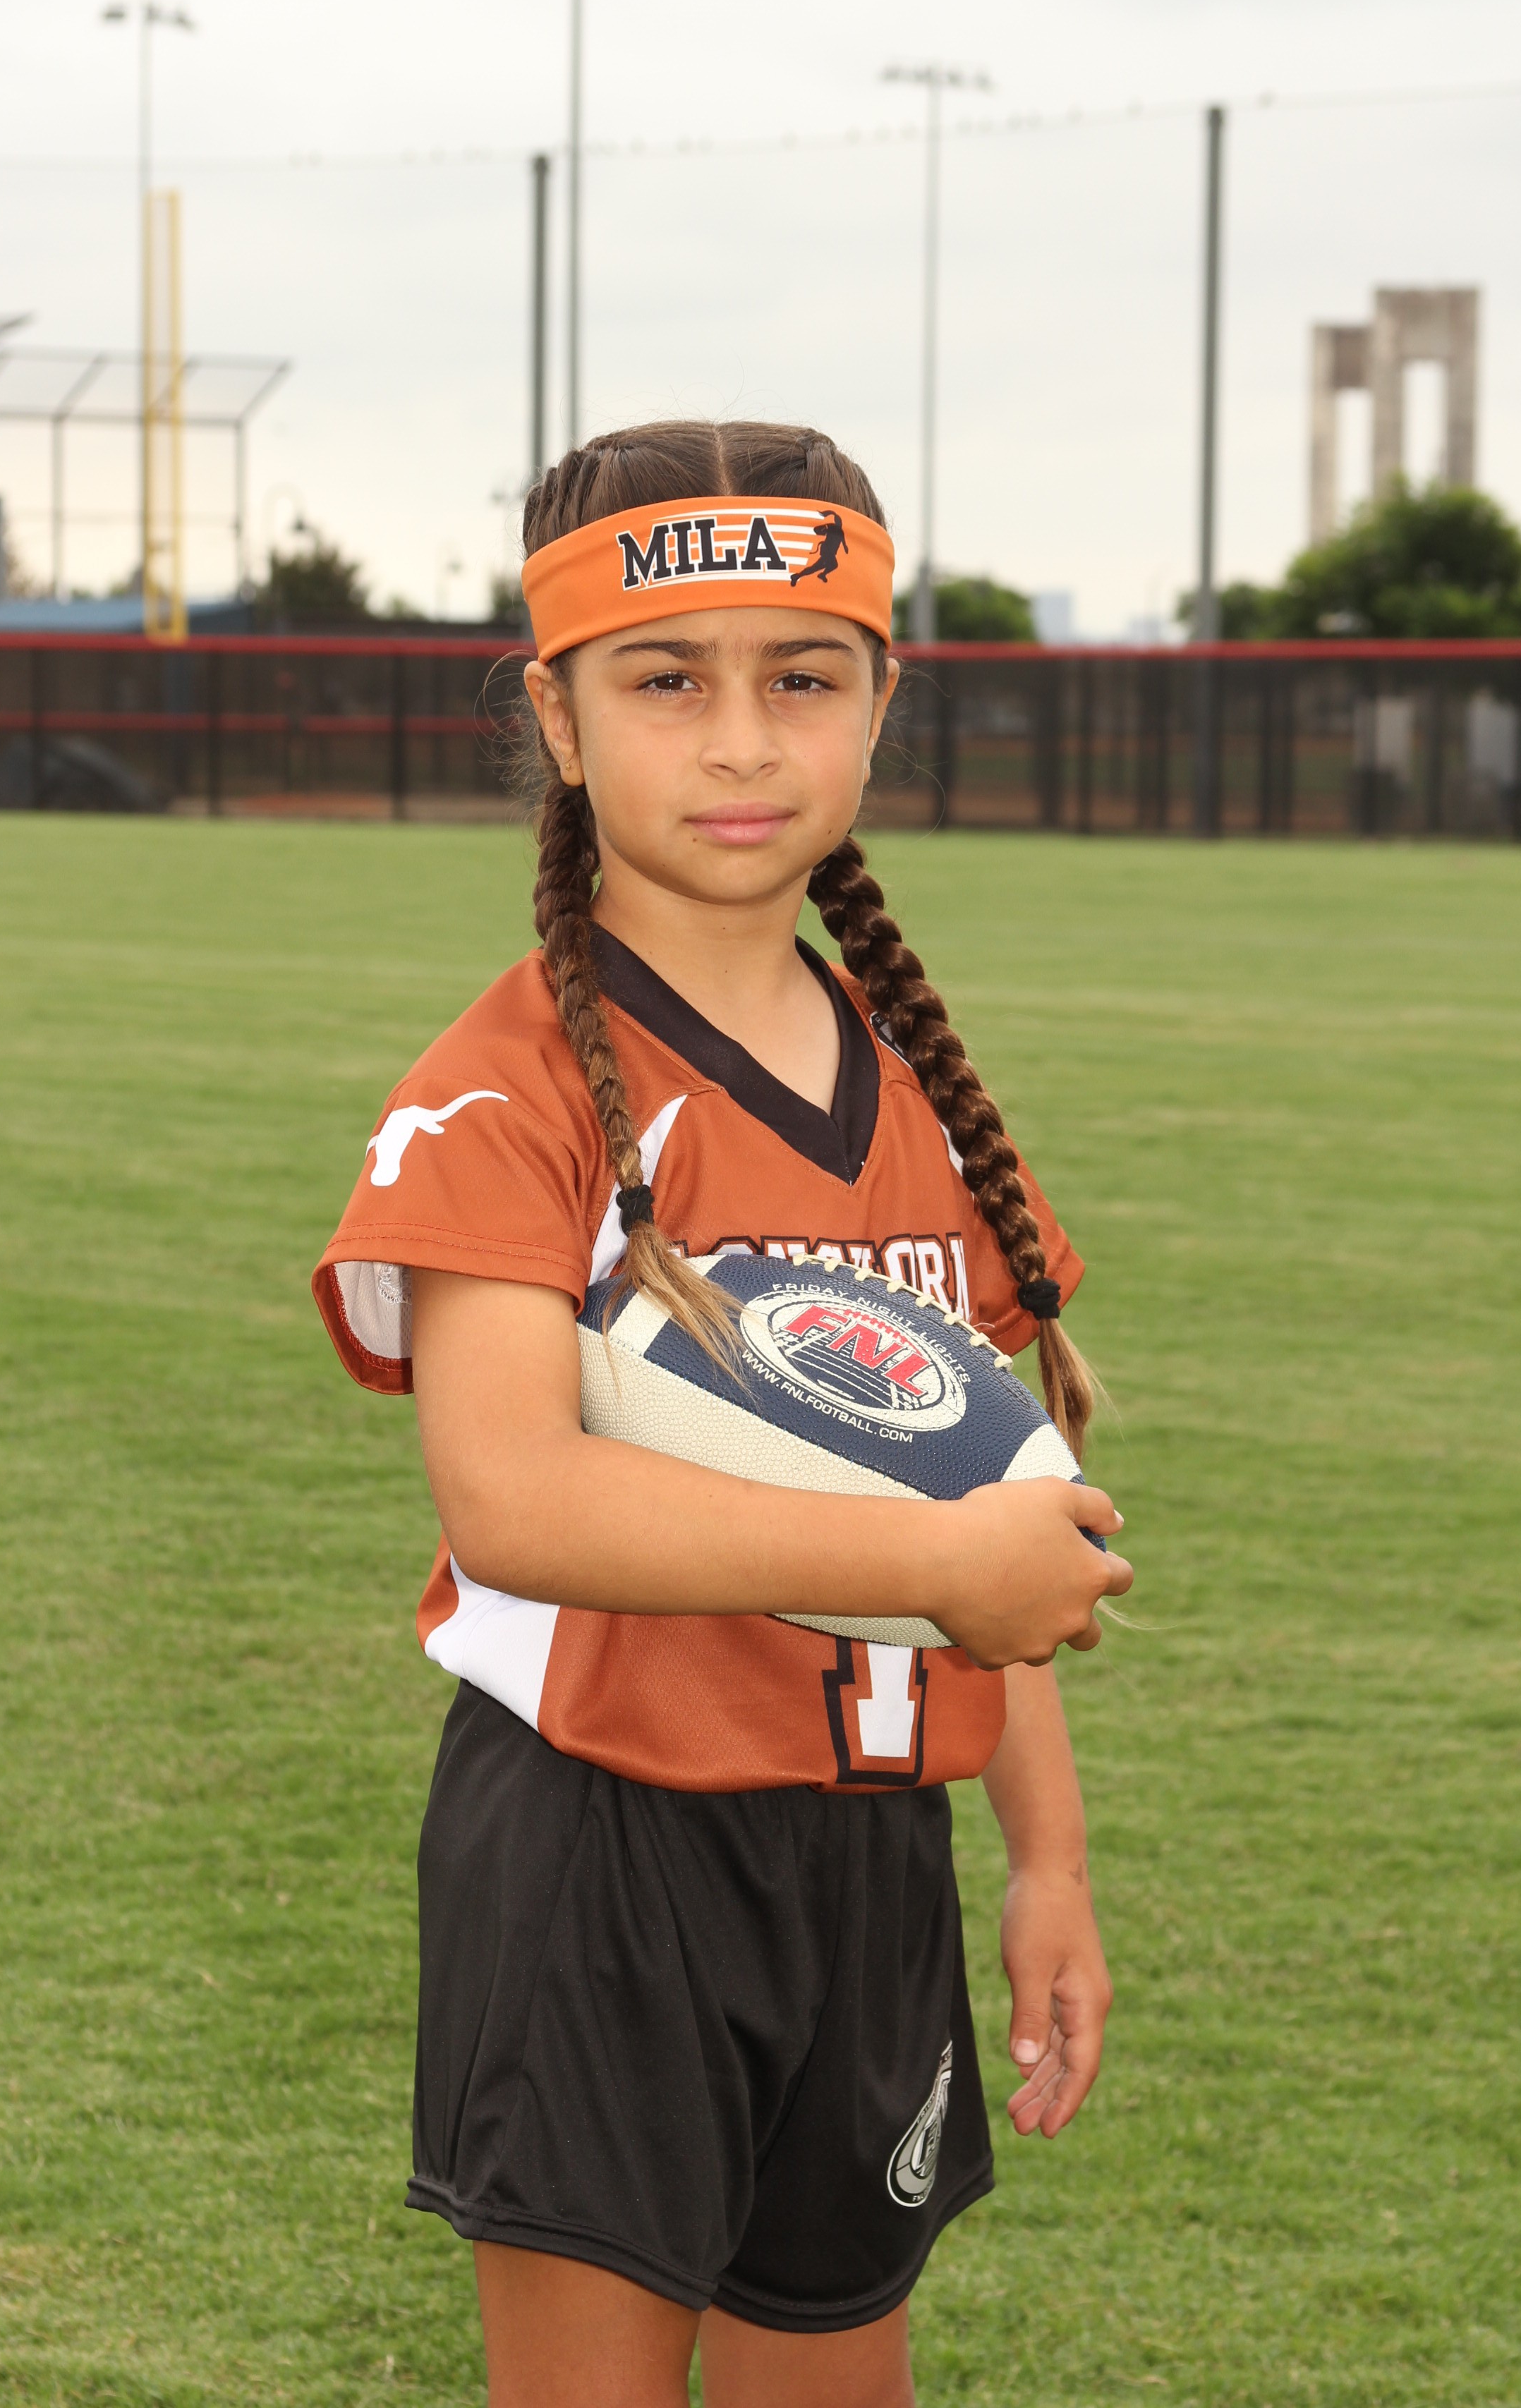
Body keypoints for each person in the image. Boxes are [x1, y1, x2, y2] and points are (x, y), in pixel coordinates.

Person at [313, 419, 1131, 2408]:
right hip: (602, 1854)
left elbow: (996, 1514)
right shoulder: (506, 1094)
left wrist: (1045, 1859)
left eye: (804, 679)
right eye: (670, 681)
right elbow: (515, 1500)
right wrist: (935, 1561)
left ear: (882, 705)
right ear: (561, 718)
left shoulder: (922, 1101)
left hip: (871, 1856)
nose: (744, 742)